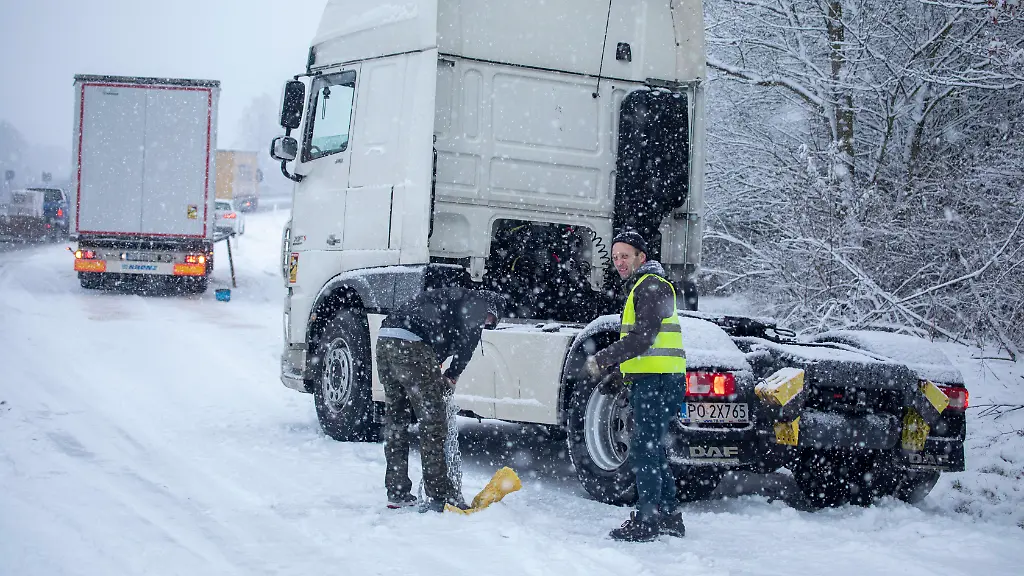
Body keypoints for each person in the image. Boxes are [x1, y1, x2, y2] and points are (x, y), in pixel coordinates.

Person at [584, 229, 687, 542]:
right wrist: (622, 373)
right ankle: (668, 515)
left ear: (641, 257)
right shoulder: (645, 285)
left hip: (658, 381)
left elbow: (643, 339)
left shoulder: (651, 286)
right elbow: (647, 344)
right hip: (656, 379)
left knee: (644, 449)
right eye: (615, 257)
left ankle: (647, 520)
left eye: (625, 256)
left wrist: (603, 359)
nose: (619, 262)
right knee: (652, 448)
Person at [376, 286, 504, 513]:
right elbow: (466, 346)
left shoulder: (452, 298)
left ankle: (397, 491)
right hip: (411, 344)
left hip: (386, 340)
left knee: (396, 420)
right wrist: (452, 375)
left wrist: (433, 367)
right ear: (491, 308)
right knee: (433, 423)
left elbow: (436, 331)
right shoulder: (478, 305)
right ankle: (441, 495)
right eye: (489, 321)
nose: (485, 324)